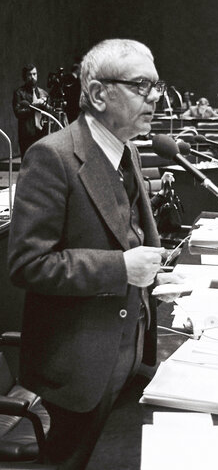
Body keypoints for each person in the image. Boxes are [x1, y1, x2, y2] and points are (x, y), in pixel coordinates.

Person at [8, 38, 182, 469]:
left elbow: (128, 234)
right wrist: (121, 268)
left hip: (131, 356)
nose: (155, 97)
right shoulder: (52, 156)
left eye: (157, 86)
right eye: (142, 85)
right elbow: (28, 264)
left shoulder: (131, 153)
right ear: (99, 93)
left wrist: (155, 276)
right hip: (80, 367)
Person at [12, 63, 51, 158]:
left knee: (42, 162)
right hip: (27, 134)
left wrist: (44, 105)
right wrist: (32, 106)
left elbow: (50, 112)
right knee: (27, 162)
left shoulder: (43, 93)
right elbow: (18, 113)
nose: (32, 77)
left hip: (42, 132)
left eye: (34, 74)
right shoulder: (19, 92)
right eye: (29, 74)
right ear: (25, 76)